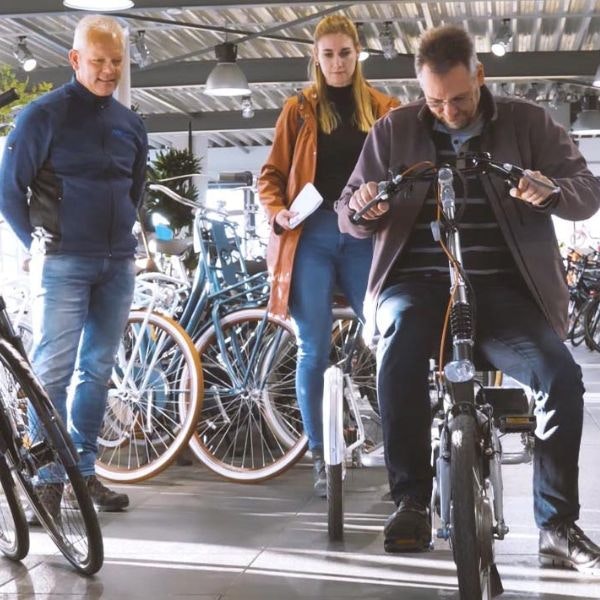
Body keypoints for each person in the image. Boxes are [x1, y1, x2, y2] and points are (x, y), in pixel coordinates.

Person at [336, 24, 600, 572]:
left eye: (459, 97)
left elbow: (586, 191)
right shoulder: (393, 130)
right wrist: (366, 205)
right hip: (416, 287)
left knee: (560, 378)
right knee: (398, 358)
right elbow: (349, 213)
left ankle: (555, 526)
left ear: (480, 75)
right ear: (420, 89)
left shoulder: (528, 122)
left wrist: (551, 193)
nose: (448, 110)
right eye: (435, 100)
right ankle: (410, 501)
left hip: (505, 291)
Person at [0, 14, 148, 517]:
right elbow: (8, 190)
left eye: (116, 62)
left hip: (117, 265)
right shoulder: (43, 116)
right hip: (62, 261)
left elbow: (135, 189)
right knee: (52, 372)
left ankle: (84, 474)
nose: (108, 71)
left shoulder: (130, 123)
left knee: (98, 372)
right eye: (99, 61)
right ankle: (47, 475)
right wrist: (37, 244)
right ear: (75, 59)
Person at [258, 14, 398, 497]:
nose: (337, 62)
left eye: (345, 53)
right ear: (316, 57)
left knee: (385, 339)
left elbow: (404, 173)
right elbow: (270, 176)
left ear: (357, 54)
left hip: (364, 236)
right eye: (328, 54)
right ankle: (321, 455)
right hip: (312, 235)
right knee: (313, 347)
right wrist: (276, 212)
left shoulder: (384, 109)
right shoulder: (298, 110)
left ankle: (399, 448)